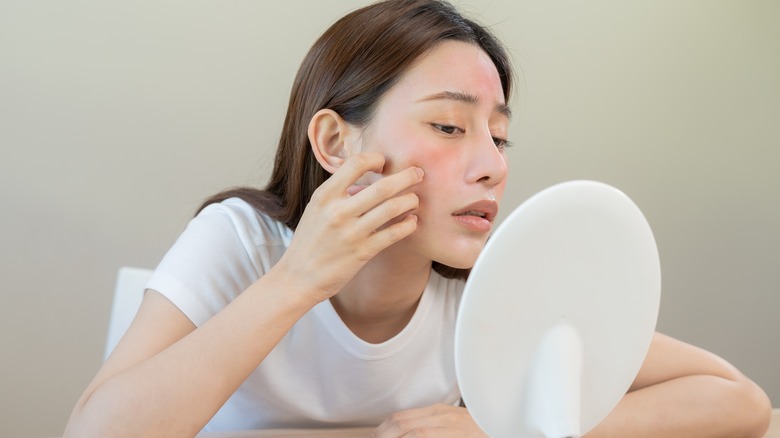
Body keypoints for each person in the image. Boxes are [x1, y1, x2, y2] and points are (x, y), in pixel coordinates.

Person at [64, 0, 771, 437]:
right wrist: (296, 282)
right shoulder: (240, 242)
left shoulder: (487, 287)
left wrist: (506, 429)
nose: (492, 164)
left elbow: (739, 402)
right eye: (448, 126)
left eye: (499, 135)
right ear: (336, 144)